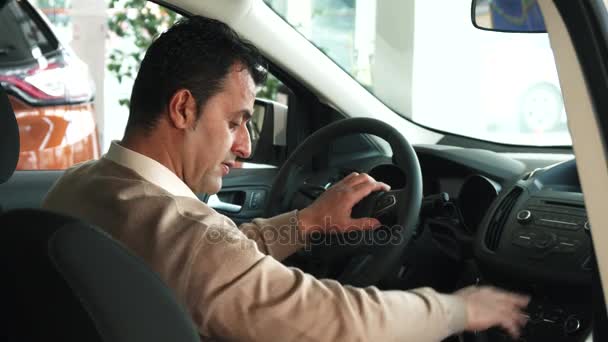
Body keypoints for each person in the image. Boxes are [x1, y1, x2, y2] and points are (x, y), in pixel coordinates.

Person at [43, 16, 529, 341]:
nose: (246, 146)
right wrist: (458, 310)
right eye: (235, 121)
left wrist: (307, 221)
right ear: (183, 108)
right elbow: (338, 319)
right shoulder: (190, 239)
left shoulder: (78, 187)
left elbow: (218, 254)